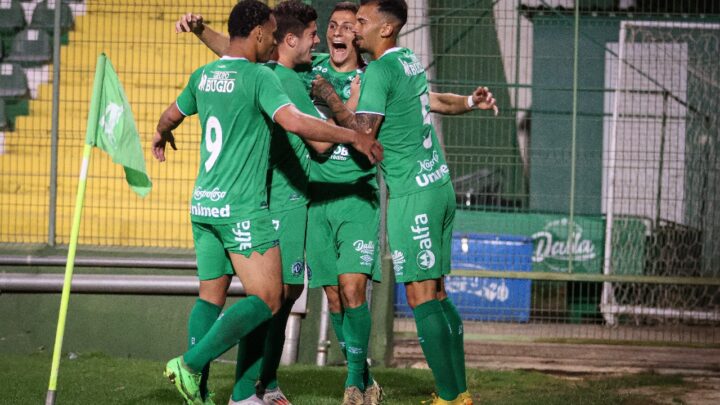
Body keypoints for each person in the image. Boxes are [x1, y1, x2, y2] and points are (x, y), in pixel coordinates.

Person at [177, 2, 494, 404]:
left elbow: (416, 104)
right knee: (318, 294)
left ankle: (358, 379)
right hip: (315, 201)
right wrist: (203, 30)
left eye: (353, 24)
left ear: (370, 35)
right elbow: (248, 50)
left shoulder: (372, 74)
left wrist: (336, 99)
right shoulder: (315, 67)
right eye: (334, 26)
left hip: (359, 198)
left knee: (354, 288)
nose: (342, 31)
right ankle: (266, 384)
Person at [154, 2, 382, 404]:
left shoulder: (205, 74)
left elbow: (171, 115)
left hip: (203, 204)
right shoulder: (263, 76)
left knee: (211, 295)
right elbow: (299, 126)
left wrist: (159, 134)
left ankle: (206, 392)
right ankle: (203, 370)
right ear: (264, 35)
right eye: (273, 34)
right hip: (247, 206)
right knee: (269, 298)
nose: (277, 42)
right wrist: (352, 133)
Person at [310, 1, 496, 404]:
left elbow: (363, 136)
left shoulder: (377, 70)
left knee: (420, 296)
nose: (355, 28)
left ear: (387, 29)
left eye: (362, 21)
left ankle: (447, 397)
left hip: (413, 196)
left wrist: (336, 98)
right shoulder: (408, 60)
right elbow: (428, 100)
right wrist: (467, 102)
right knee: (439, 293)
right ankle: (459, 393)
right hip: (439, 185)